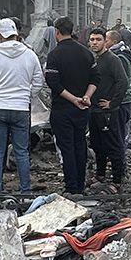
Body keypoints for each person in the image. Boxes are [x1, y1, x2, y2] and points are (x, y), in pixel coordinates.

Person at [0, 18, 44, 195]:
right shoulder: (30, 54)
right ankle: (25, 190)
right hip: (21, 109)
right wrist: (27, 96)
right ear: (16, 34)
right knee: (21, 151)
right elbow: (39, 81)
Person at [45, 18, 98, 195]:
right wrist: (86, 97)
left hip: (62, 109)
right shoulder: (86, 53)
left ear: (57, 32)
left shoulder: (54, 55)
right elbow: (95, 79)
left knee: (67, 147)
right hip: (83, 108)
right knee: (80, 144)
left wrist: (72, 99)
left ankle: (71, 186)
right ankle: (81, 185)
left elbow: (53, 83)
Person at [88, 28, 127, 192]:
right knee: (97, 144)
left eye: (98, 39)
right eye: (92, 39)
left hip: (108, 112)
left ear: (105, 41)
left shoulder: (112, 59)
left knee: (113, 145)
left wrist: (112, 103)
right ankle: (100, 175)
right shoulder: (93, 59)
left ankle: (117, 180)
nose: (95, 42)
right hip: (94, 110)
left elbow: (123, 82)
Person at [107, 30, 131, 147]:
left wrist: (113, 101)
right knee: (122, 129)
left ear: (114, 42)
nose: (104, 42)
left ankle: (120, 157)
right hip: (124, 99)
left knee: (120, 132)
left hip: (122, 100)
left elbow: (122, 82)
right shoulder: (121, 53)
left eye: (106, 39)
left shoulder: (119, 57)